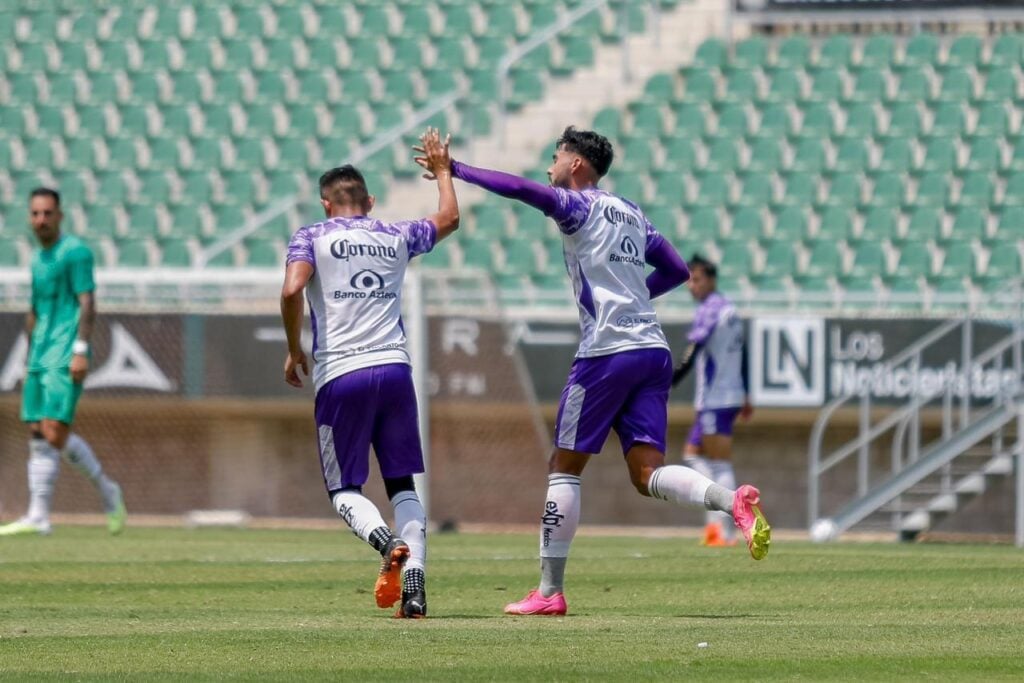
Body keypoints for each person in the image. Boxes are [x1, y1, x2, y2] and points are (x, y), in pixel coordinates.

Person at [441, 126, 770, 616]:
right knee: (646, 473)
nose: (549, 166)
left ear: (576, 165)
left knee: (564, 468)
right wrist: (634, 298)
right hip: (651, 350)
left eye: (556, 157)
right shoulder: (631, 211)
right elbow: (677, 270)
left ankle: (549, 593)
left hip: (606, 352)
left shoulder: (579, 206)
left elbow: (520, 190)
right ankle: (732, 501)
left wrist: (456, 169)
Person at [280, 128, 458, 619]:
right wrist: (443, 171)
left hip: (342, 373)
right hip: (396, 370)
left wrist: (295, 350)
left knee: (343, 490)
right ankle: (416, 588)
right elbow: (449, 219)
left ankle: (386, 545)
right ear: (371, 201)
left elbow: (293, 291)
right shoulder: (395, 233)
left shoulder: (311, 237)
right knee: (403, 485)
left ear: (324, 205)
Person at [0, 188, 126, 537]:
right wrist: (28, 357)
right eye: (35, 214)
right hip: (40, 354)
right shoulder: (37, 259)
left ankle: (105, 490)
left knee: (54, 429)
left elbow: (87, 302)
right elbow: (34, 310)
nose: (41, 220)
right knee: (39, 431)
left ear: (60, 216)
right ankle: (39, 515)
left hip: (66, 350)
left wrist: (81, 348)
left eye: (47, 213)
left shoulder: (76, 253)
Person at [671, 254, 752, 547]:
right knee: (694, 454)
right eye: (689, 280)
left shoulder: (711, 309)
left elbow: (692, 351)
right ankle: (717, 528)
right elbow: (743, 354)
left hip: (716, 398)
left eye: (696, 279)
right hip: (729, 395)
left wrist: (667, 383)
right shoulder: (730, 309)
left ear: (711, 280)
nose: (691, 286)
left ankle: (725, 529)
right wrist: (746, 392)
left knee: (716, 462)